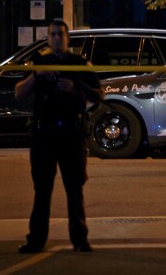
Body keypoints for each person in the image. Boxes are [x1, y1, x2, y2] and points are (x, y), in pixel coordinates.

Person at [14, 20, 103, 254]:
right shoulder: (39, 62)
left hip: (71, 136)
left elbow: (99, 95)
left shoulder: (79, 63)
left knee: (74, 190)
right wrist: (36, 75)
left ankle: (80, 240)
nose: (56, 39)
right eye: (52, 35)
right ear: (48, 38)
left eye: (59, 35)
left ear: (67, 39)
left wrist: (76, 88)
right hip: (45, 135)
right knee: (42, 191)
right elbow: (19, 92)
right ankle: (36, 240)